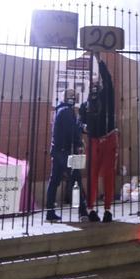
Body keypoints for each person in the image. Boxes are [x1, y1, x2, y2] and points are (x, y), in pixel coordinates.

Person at [80, 56, 117, 222]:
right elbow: (81, 121)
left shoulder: (107, 96)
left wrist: (99, 60)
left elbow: (108, 80)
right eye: (92, 85)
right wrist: (83, 126)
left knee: (108, 175)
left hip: (109, 137)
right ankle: (91, 209)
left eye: (97, 84)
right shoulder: (85, 105)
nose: (94, 86)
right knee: (92, 175)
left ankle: (108, 210)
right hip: (93, 140)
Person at [44, 88, 86, 221]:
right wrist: (80, 142)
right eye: (72, 96)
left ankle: (50, 211)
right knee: (76, 180)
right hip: (67, 152)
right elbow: (71, 132)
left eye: (74, 95)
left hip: (57, 151)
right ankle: (82, 211)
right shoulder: (67, 111)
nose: (74, 98)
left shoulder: (60, 110)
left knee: (54, 181)